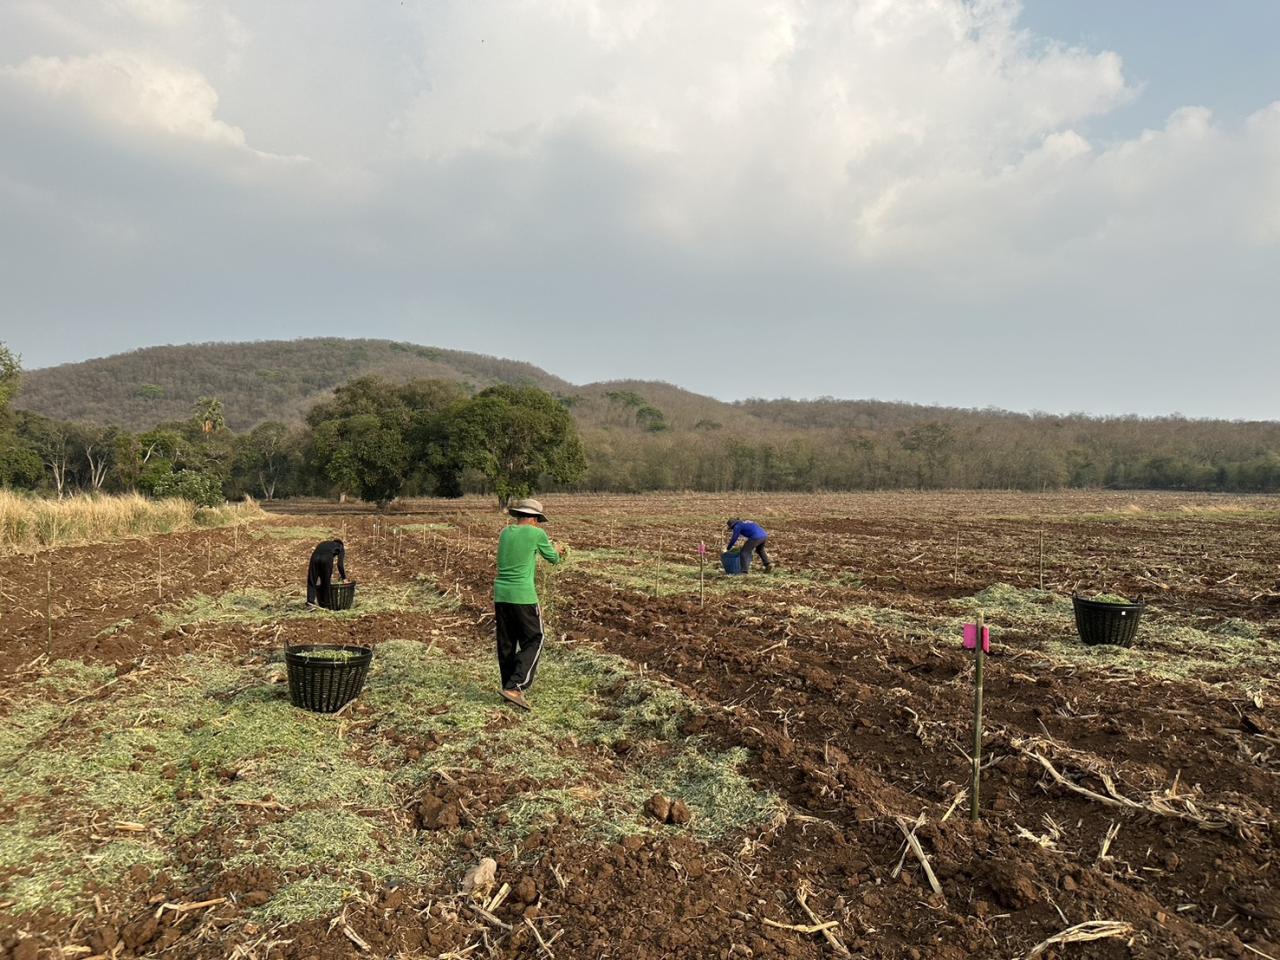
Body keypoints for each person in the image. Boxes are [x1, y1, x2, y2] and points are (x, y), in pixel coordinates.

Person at [494, 498, 565, 710]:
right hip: (523, 595)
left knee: (507, 642)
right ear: (534, 519)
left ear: (519, 516)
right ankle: (516, 686)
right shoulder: (537, 534)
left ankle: (507, 686)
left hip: (501, 594)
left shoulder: (505, 533)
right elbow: (553, 559)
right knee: (535, 637)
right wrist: (560, 550)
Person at [307, 539, 347, 606]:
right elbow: (340, 564)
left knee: (312, 580)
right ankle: (326, 604)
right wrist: (344, 578)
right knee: (326, 581)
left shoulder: (324, 543)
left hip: (314, 557)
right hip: (327, 558)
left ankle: (310, 603)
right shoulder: (340, 546)